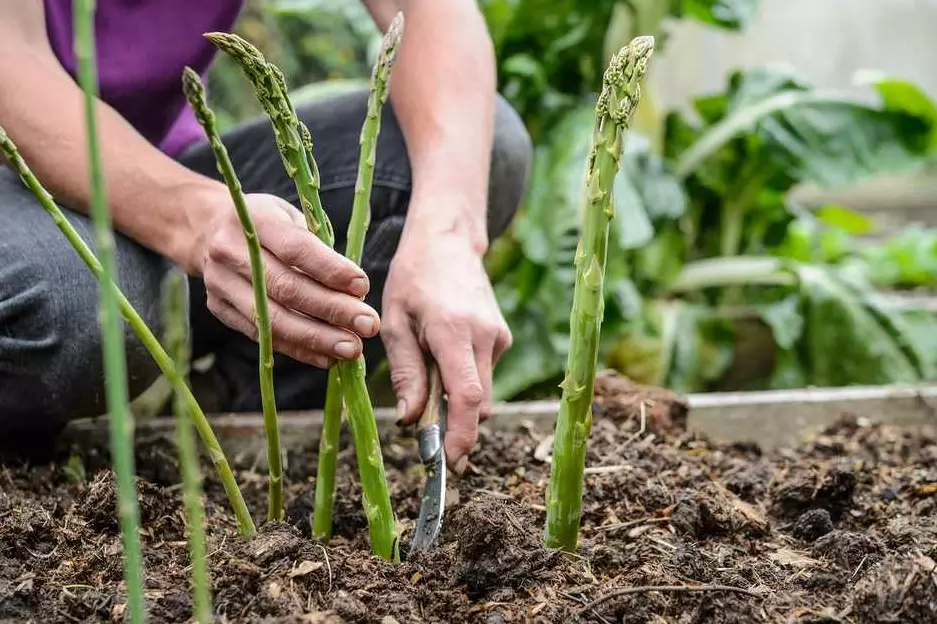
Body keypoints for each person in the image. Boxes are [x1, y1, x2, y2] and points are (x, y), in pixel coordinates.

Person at [0, 1, 532, 472]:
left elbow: (428, 11)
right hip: (17, 183)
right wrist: (198, 218)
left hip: (158, 163)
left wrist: (448, 234)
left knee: (473, 156)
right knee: (85, 310)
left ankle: (227, 424)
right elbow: (12, 57)